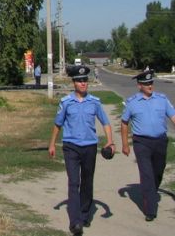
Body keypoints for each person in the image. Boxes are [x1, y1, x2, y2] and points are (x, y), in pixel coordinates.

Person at [48, 65, 114, 235]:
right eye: (79, 81)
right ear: (74, 83)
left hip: (90, 147)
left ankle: (84, 214)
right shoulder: (66, 103)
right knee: (73, 182)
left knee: (87, 181)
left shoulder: (95, 102)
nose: (83, 83)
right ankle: (75, 222)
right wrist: (52, 144)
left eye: (85, 80)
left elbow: (105, 123)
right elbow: (57, 124)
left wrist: (110, 142)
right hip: (71, 147)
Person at [120, 70, 175, 222]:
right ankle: (150, 209)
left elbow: (174, 117)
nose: (149, 86)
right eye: (146, 84)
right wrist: (125, 144)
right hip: (141, 142)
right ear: (139, 85)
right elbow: (124, 123)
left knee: (158, 171)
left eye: (151, 83)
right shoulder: (132, 102)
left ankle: (151, 189)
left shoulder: (162, 99)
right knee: (147, 174)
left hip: (160, 141)